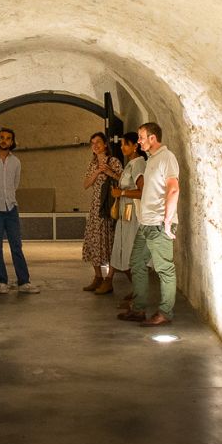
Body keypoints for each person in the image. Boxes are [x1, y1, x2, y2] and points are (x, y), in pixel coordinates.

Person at [118, 122, 180, 327]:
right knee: (136, 262)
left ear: (152, 138)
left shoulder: (167, 158)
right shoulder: (151, 159)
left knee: (165, 270)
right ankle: (139, 308)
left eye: (141, 137)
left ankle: (165, 313)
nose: (139, 141)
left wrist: (168, 221)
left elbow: (173, 189)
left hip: (159, 224)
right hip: (146, 224)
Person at [0, 127, 40, 294]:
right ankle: (2, 282)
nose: (4, 140)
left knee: (16, 246)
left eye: (8, 138)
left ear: (12, 142)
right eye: (2, 137)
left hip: (11, 207)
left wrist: (8, 198)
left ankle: (24, 282)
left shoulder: (16, 162)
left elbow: (15, 184)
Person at [81, 131, 123, 293]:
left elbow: (124, 180)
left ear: (105, 144)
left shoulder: (114, 161)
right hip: (95, 208)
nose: (95, 145)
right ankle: (97, 277)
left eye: (98, 142)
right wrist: (98, 171)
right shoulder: (92, 165)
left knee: (110, 242)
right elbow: (86, 184)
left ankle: (109, 279)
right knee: (94, 241)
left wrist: (109, 172)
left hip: (109, 207)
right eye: (92, 143)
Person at [109, 131, 146, 306]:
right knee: (123, 252)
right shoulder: (130, 164)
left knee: (132, 254)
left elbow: (142, 191)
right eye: (122, 144)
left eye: (126, 144)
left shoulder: (138, 163)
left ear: (135, 146)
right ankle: (137, 292)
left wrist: (122, 192)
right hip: (125, 213)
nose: (122, 147)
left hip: (132, 213)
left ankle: (139, 295)